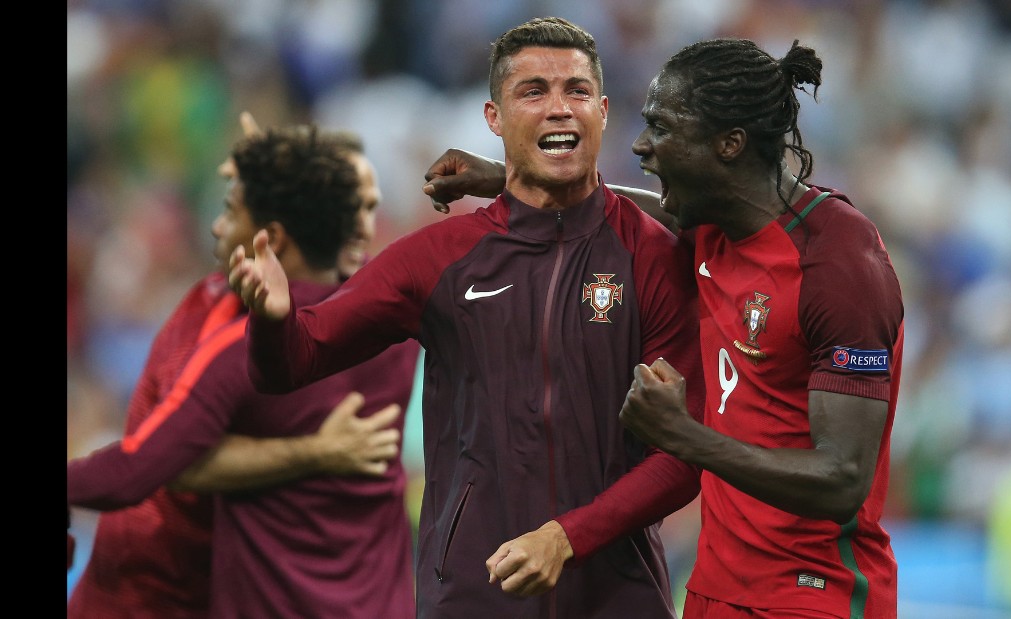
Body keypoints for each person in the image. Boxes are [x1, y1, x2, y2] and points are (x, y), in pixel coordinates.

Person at [228, 16, 705, 619]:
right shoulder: (441, 257)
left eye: (576, 91)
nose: (560, 108)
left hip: (617, 597)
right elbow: (292, 360)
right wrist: (272, 318)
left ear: (604, 111)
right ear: (494, 119)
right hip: (474, 595)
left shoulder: (654, 258)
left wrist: (566, 537)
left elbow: (683, 456)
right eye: (533, 92)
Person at [422, 36, 904, 619]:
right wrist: (511, 176)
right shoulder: (716, 227)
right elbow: (643, 212)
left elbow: (842, 479)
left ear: (728, 145)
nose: (642, 145)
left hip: (813, 597)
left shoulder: (839, 265)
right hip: (713, 592)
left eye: (663, 128)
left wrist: (683, 437)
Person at [67, 121, 421, 618]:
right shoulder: (401, 328)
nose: (216, 224)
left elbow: (145, 468)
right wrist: (316, 452)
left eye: (230, 208)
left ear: (270, 236)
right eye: (357, 206)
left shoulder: (236, 352)